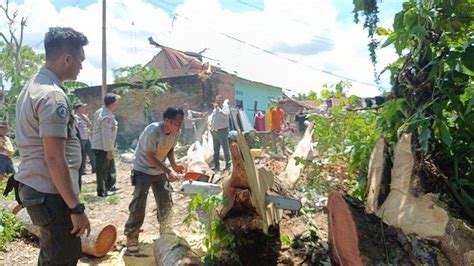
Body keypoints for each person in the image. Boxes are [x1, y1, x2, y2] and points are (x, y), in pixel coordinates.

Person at [15, 27, 90, 265]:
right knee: (62, 257)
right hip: (52, 194)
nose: (81, 65)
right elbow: (54, 158)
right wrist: (76, 209)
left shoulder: (31, 88)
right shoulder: (52, 96)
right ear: (67, 58)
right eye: (80, 59)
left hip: (38, 189)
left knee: (51, 254)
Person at [124, 107, 185, 253]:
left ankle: (165, 230)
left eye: (181, 123)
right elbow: (150, 156)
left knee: (166, 200)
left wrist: (174, 165)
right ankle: (132, 235)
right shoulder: (153, 131)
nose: (179, 127)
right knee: (139, 202)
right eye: (177, 123)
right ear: (167, 121)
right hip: (142, 169)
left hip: (159, 169)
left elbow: (170, 148)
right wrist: (168, 171)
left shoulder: (176, 132)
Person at [91, 93, 121, 197]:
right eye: (116, 102)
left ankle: (111, 187)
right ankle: (102, 191)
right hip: (103, 147)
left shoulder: (102, 111)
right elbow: (106, 134)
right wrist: (109, 150)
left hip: (104, 146)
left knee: (110, 167)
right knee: (103, 170)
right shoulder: (106, 116)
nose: (118, 104)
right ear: (112, 103)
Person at [74, 101, 96, 175]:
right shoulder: (75, 117)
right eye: (83, 107)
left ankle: (95, 169)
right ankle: (82, 170)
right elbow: (75, 128)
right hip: (81, 139)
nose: (84, 108)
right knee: (82, 155)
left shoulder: (84, 116)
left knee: (91, 153)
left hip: (87, 138)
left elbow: (90, 126)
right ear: (78, 108)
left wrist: (86, 119)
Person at [210, 95, 231, 171]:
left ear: (222, 101)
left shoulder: (225, 107)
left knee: (225, 149)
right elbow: (213, 118)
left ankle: (228, 166)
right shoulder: (215, 109)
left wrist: (218, 109)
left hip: (222, 131)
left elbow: (225, 116)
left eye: (219, 100)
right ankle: (216, 166)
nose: (218, 102)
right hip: (215, 131)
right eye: (217, 100)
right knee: (216, 150)